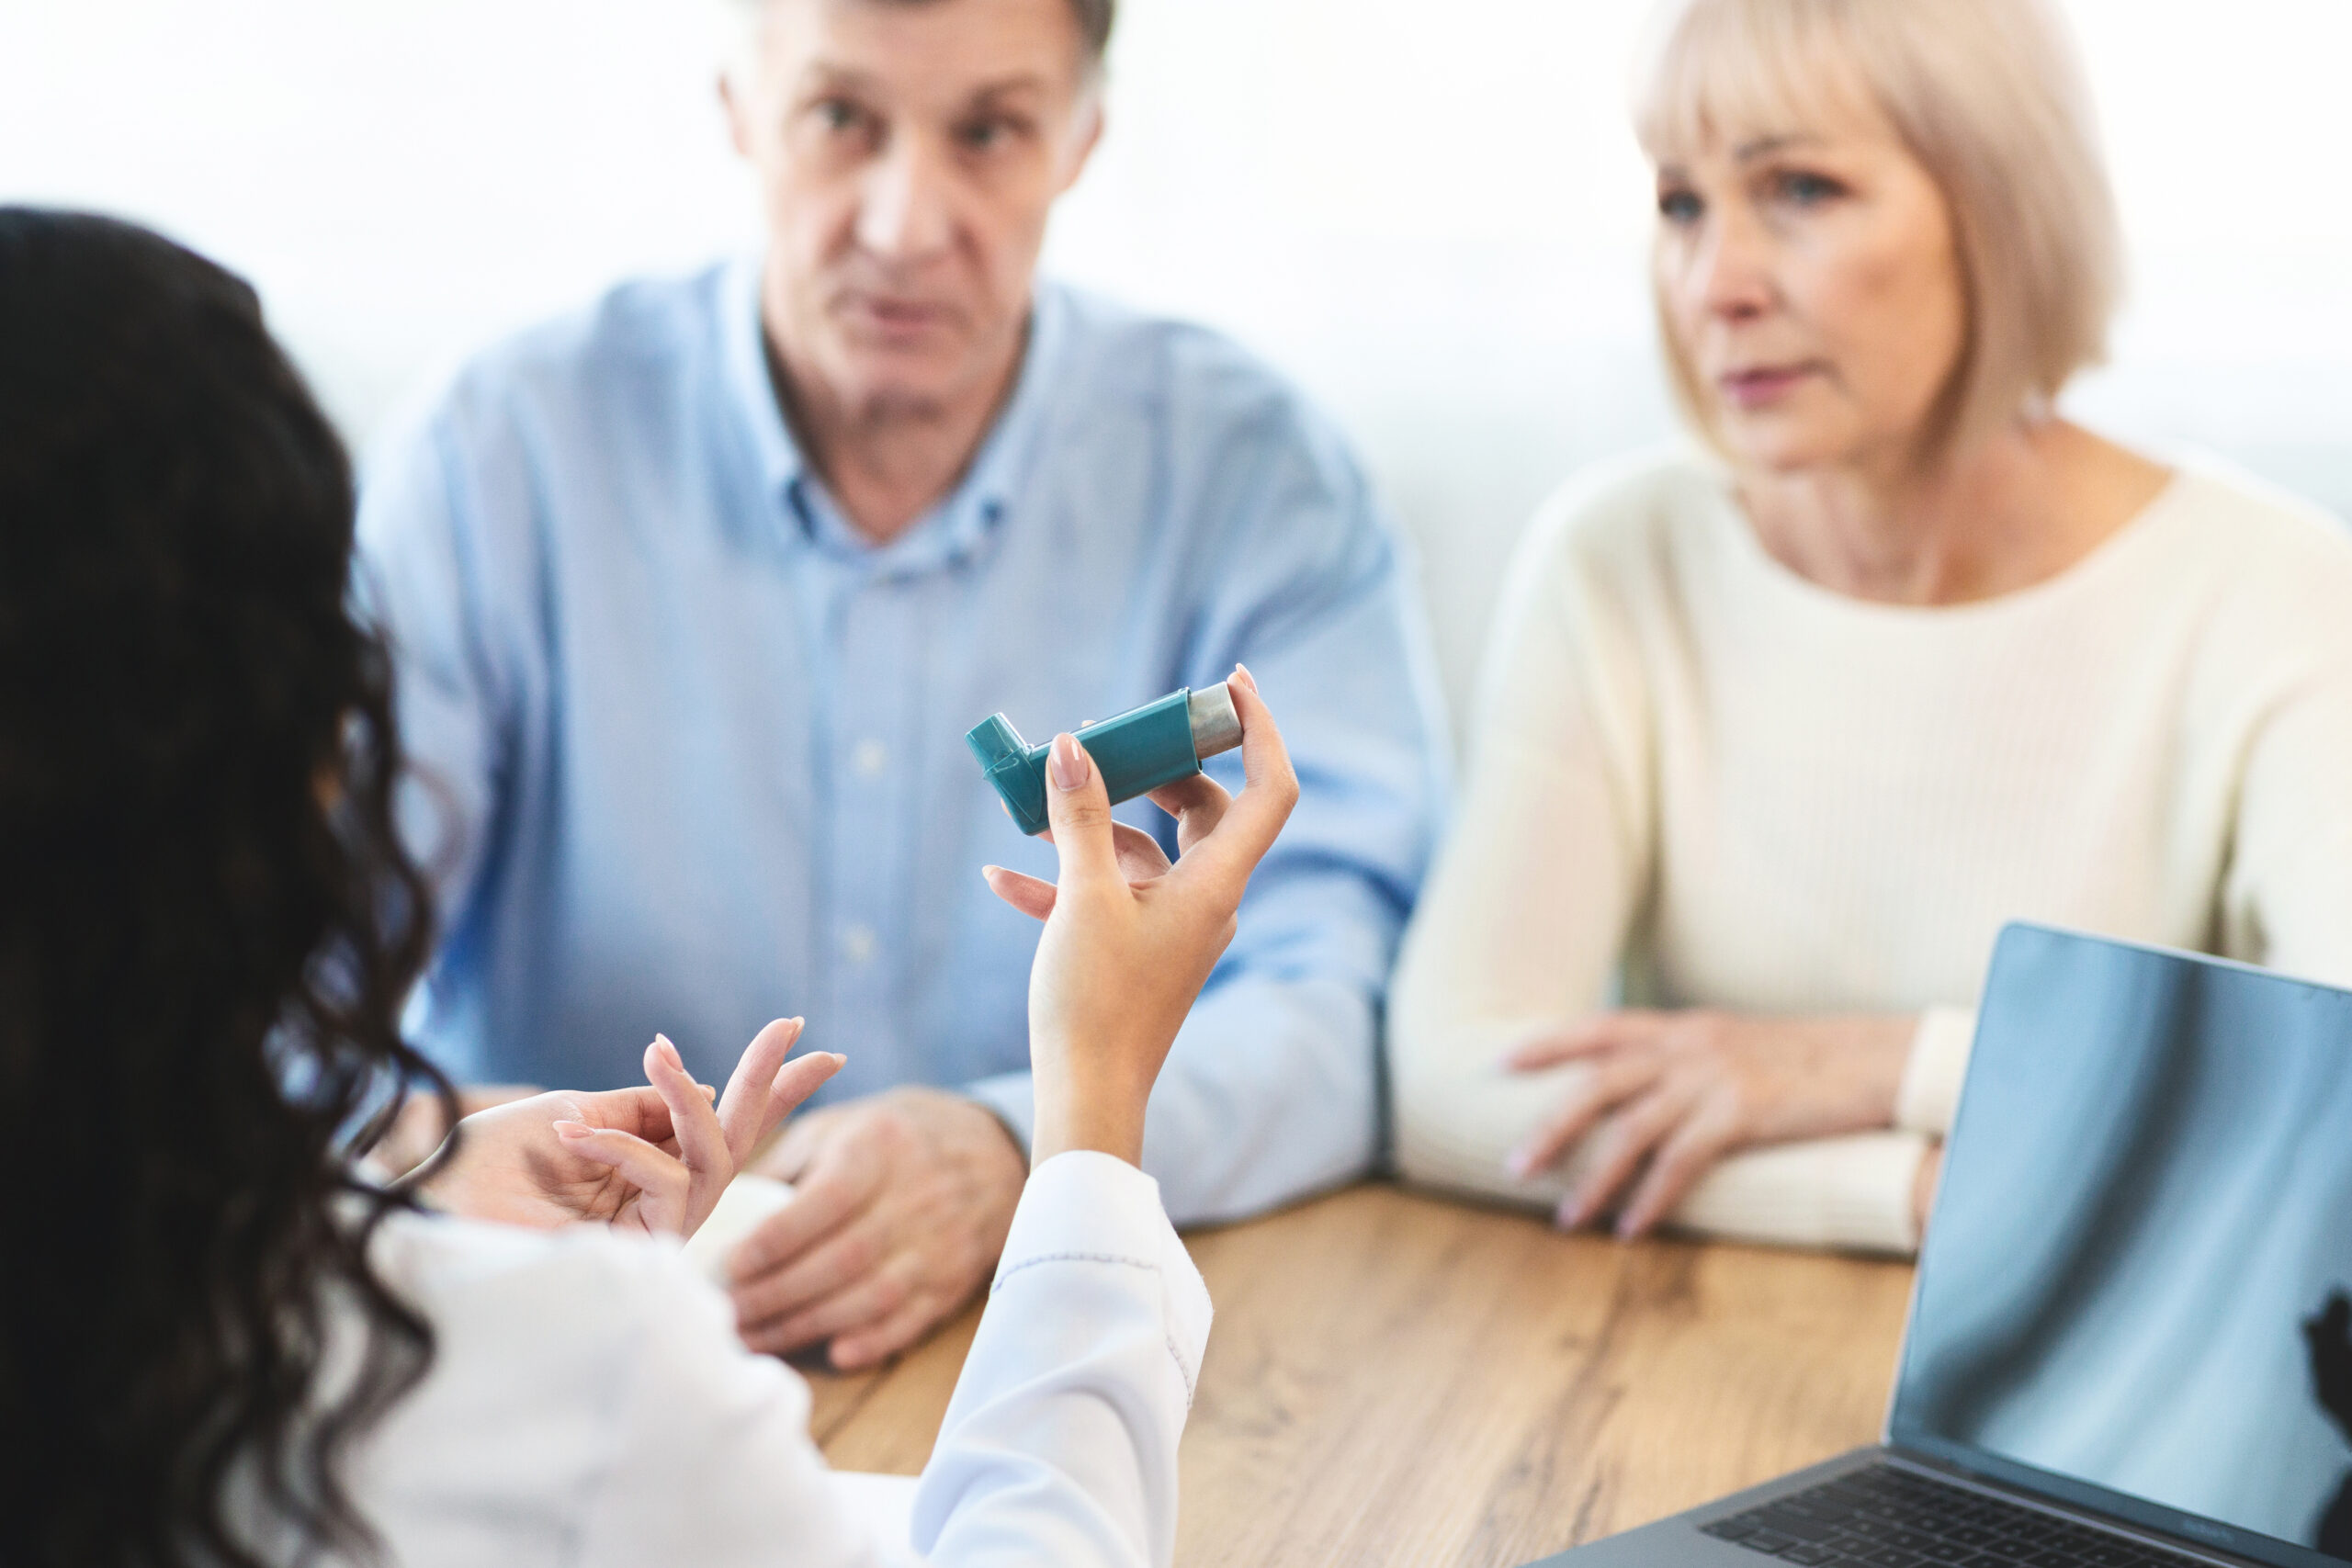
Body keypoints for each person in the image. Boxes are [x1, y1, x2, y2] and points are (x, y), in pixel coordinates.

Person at [0, 205, 1300, 1566]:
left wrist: (396, 1194)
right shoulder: (544, 1373)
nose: (908, 220)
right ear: (301, 751)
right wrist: (1090, 1110)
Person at [358, 0, 1443, 1369]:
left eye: (987, 131)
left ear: (1082, 137)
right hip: (560, 1355)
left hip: (1064, 1337)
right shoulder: (492, 459)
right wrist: (498, 1152)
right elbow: (273, 994)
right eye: (840, 120)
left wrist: (1023, 1144)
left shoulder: (1260, 479)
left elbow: (1348, 1006)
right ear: (741, 111)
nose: (902, 223)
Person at [1387, 0, 2352, 1255]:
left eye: (1799, 188)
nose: (1714, 284)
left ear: (2001, 212)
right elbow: (1454, 1090)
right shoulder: (1618, 561)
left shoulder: (2272, 589)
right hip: (1687, 1351)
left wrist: (1888, 1065)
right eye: (1681, 203)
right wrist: (1924, 1191)